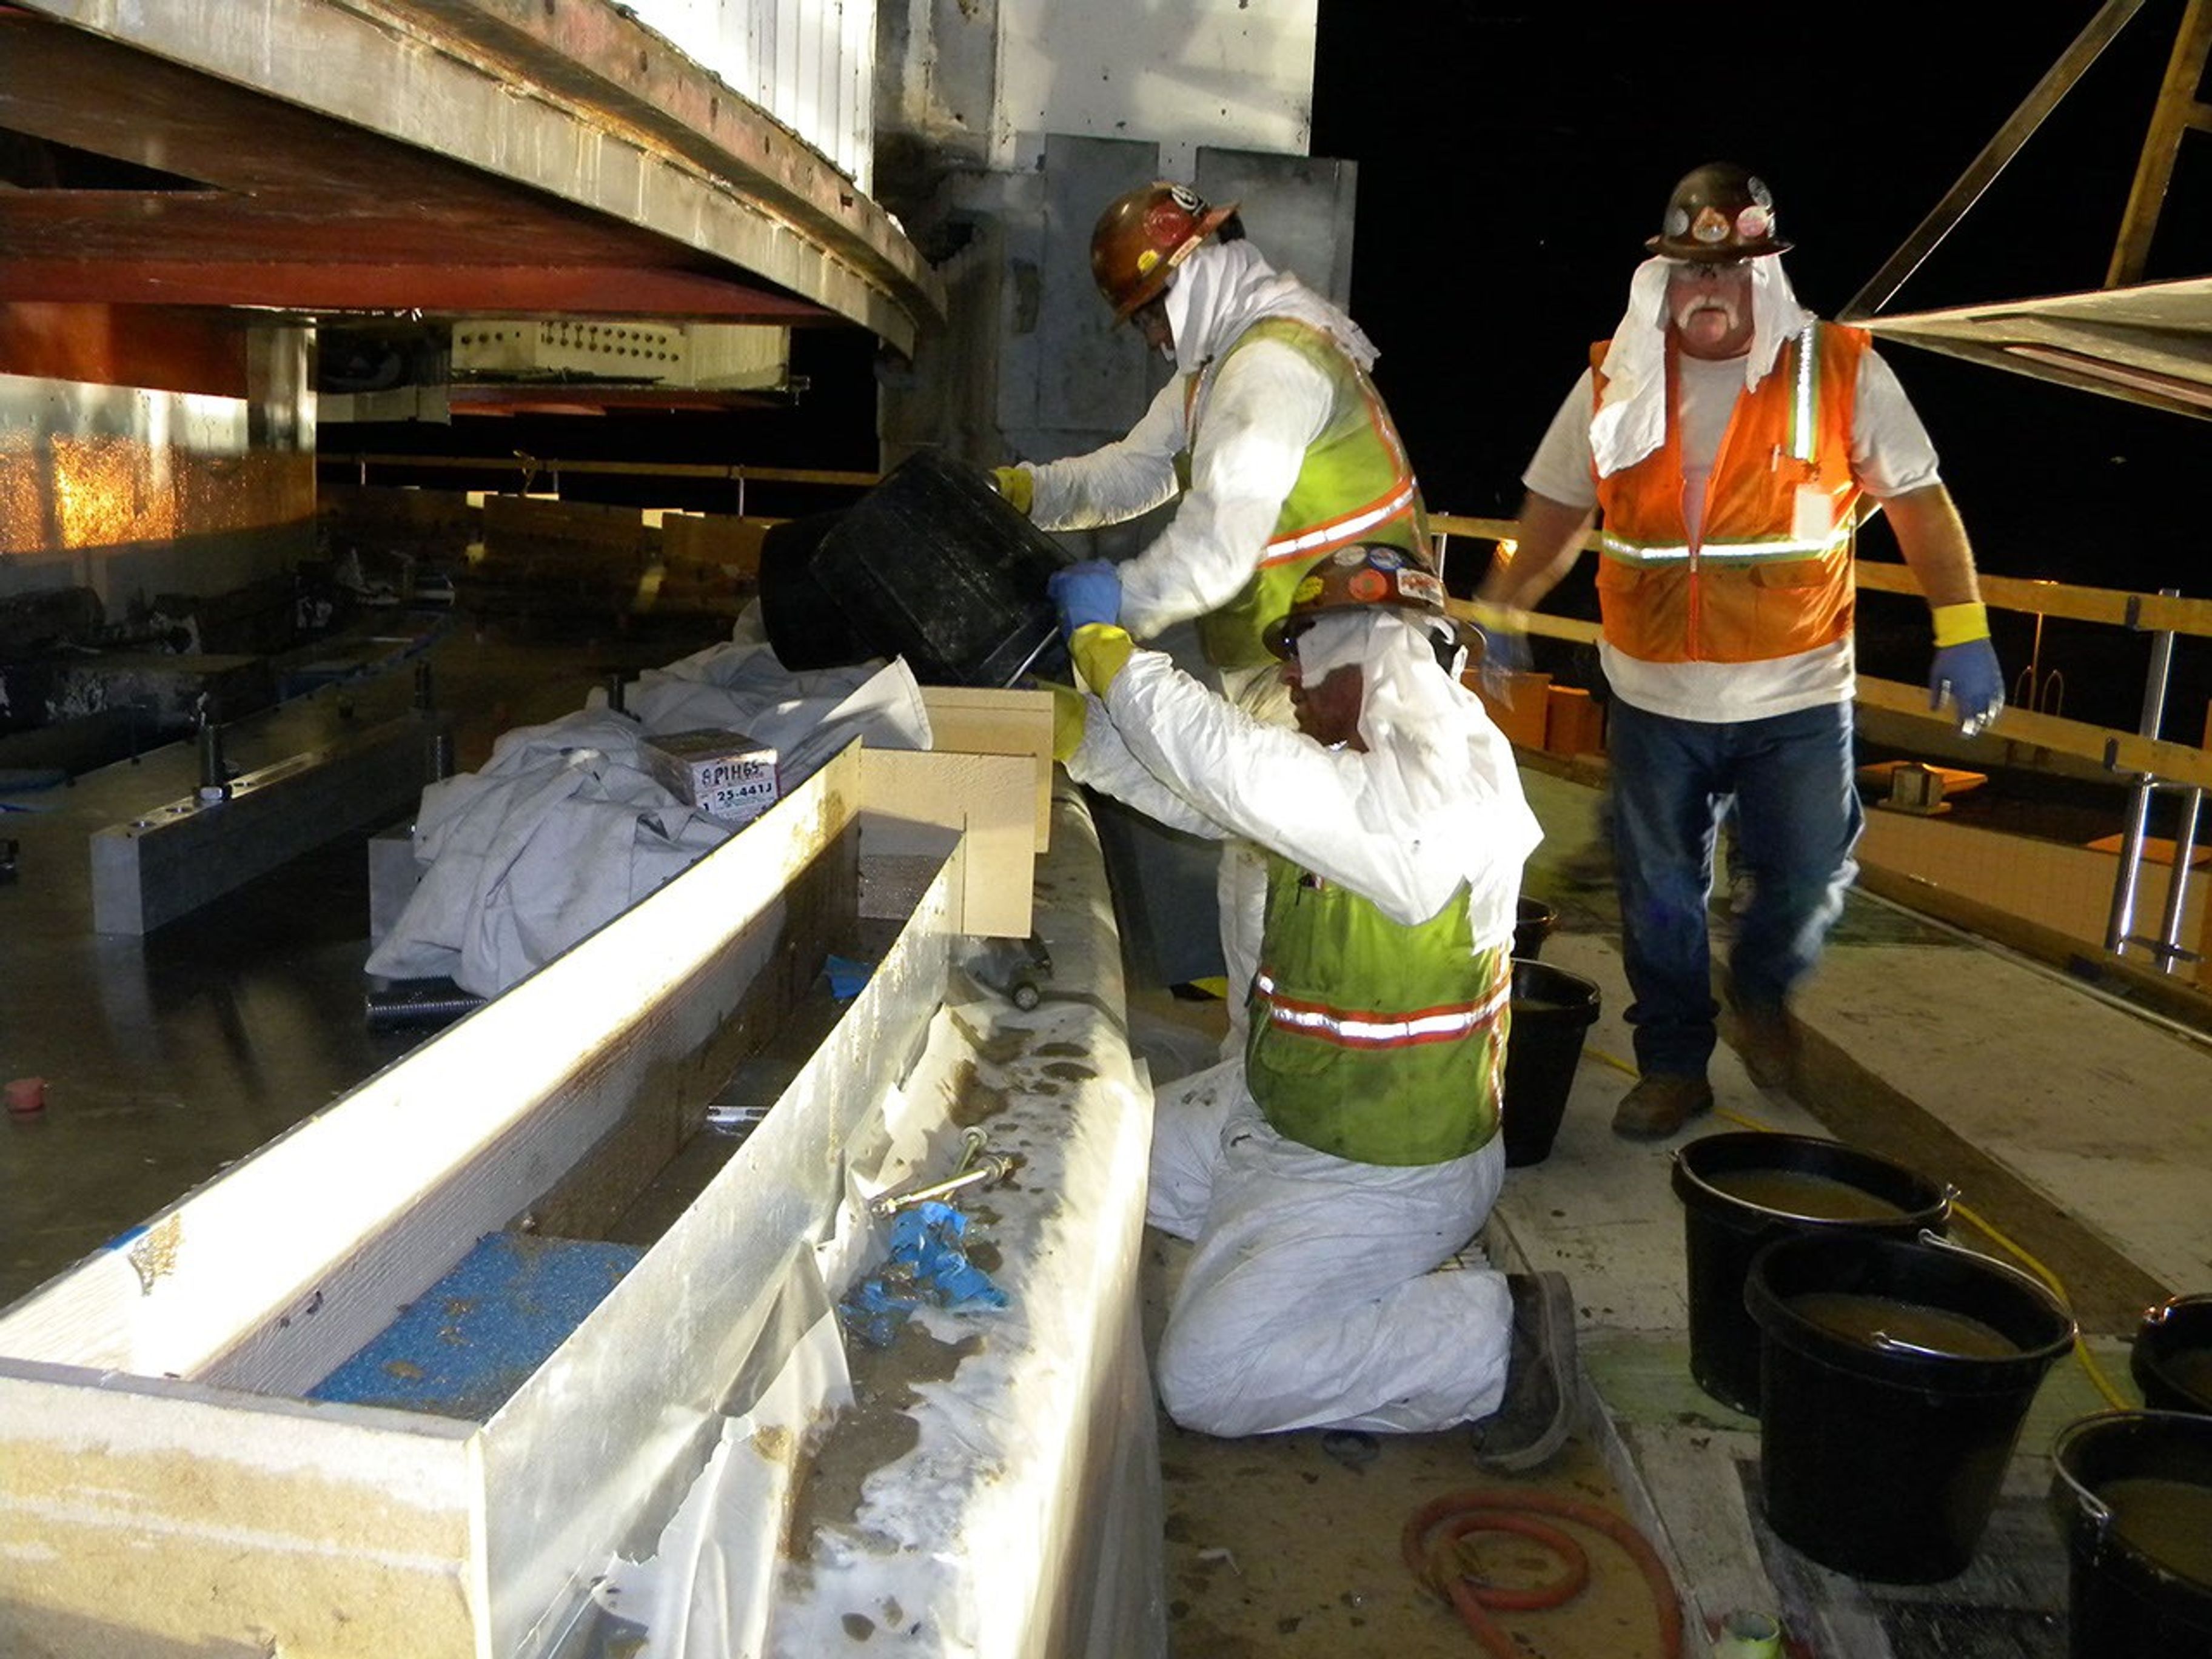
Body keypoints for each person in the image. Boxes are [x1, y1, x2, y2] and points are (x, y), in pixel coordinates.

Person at [1476, 162, 2004, 1139]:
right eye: (1689, 271)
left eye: (1731, 270)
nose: (1708, 290)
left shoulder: (1840, 368)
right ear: (1661, 279)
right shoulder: (1614, 377)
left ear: (1763, 275)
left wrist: (1963, 627)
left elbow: (1921, 503)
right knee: (1659, 898)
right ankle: (1674, 1063)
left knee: (1805, 877)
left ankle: (1762, 989)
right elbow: (1556, 509)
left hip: (1796, 696)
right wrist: (1504, 602)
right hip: (1653, 696)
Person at [1044, 544, 1574, 1468]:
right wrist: (1078, 735)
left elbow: (1239, 771)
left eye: (1302, 651)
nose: (1288, 674)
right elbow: (1215, 794)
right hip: (1277, 1117)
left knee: (1207, 1377)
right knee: (1094, 1156)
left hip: (1382, 1170)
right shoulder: (1354, 770)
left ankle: (1494, 1334)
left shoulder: (1444, 797)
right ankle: (1323, 1268)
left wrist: (1111, 654)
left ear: (1363, 653)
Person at [996, 181, 1430, 1034]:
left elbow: (1216, 552)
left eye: (1154, 314)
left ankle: (1270, 1071)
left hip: (1348, 670)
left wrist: (1110, 618)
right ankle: (1259, 1061)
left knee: (1268, 884)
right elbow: (1133, 470)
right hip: (1293, 658)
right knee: (1254, 856)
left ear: (1195, 271)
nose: (1155, 339)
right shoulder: (1218, 364)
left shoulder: (1271, 367)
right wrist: (1026, 494)